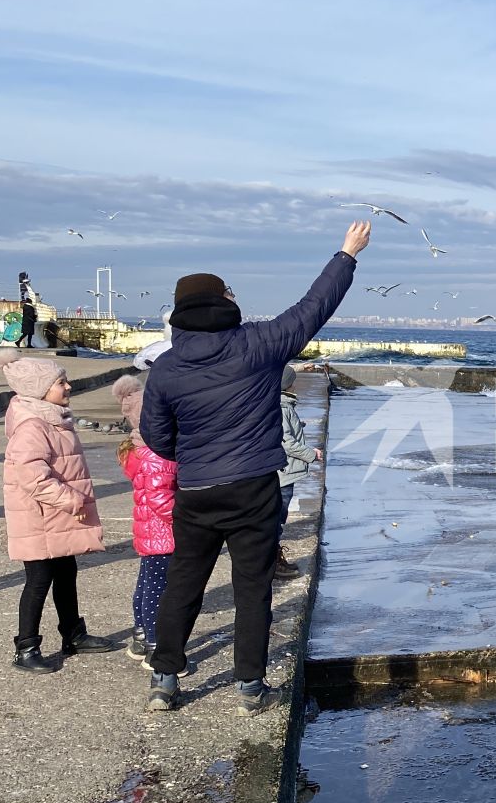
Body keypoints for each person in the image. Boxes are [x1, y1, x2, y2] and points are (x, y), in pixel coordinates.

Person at [141, 221, 370, 715]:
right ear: (222, 300)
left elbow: (156, 437)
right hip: (254, 486)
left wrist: (194, 456)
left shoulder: (165, 368)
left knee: (184, 581)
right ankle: (249, 687)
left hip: (197, 489)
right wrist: (346, 254)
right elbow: (313, 309)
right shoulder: (257, 344)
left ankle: (165, 679)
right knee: (252, 586)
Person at [0, 350, 110, 671]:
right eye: (61, 382)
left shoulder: (53, 417)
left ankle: (73, 634)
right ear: (39, 389)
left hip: (55, 519)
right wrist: (70, 499)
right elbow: (33, 478)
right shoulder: (33, 426)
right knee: (38, 580)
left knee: (66, 572)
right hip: (39, 519)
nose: (69, 386)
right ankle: (26, 647)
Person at [115, 374, 175, 669]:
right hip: (163, 532)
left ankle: (140, 634)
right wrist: (186, 519)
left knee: (148, 582)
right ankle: (154, 644)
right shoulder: (156, 455)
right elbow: (162, 499)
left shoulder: (141, 450)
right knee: (158, 588)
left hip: (150, 531)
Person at [274, 365, 321, 580]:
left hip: (281, 472)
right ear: (288, 384)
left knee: (275, 517)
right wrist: (310, 454)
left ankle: (271, 557)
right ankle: (273, 561)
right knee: (277, 518)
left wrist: (298, 425)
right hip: (283, 473)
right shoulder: (282, 407)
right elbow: (286, 442)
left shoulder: (282, 405)